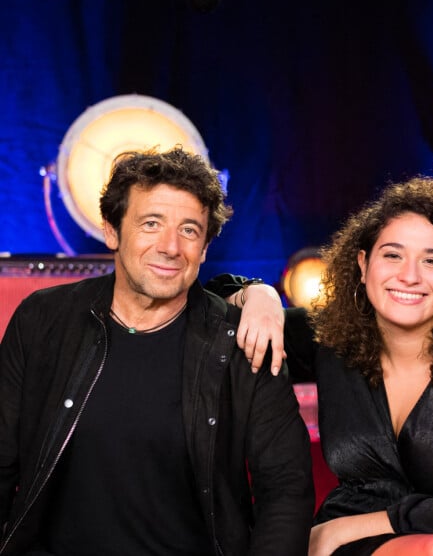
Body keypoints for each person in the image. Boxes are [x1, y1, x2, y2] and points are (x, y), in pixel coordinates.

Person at [0, 146, 314, 556]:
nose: (171, 246)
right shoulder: (42, 320)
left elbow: (286, 492)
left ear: (203, 249)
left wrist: (261, 294)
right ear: (112, 231)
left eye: (189, 230)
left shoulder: (241, 341)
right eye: (151, 223)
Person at [212, 176, 433, 555]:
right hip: (358, 547)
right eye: (393, 255)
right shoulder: (332, 339)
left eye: (431, 260)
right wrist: (261, 295)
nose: (410, 276)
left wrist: (339, 531)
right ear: (363, 264)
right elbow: (208, 301)